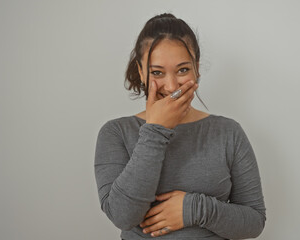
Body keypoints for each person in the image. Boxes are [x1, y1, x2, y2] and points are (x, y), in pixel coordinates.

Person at [94, 13, 266, 239]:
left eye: (183, 70)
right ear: (140, 72)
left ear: (196, 68)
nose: (172, 85)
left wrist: (195, 209)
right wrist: (155, 130)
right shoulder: (116, 132)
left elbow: (254, 223)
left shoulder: (228, 132)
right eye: (157, 72)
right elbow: (122, 216)